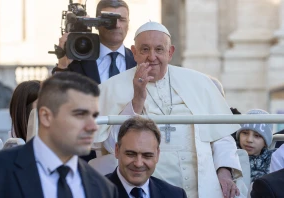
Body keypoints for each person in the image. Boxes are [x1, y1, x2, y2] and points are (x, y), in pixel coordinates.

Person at [94, 21, 247, 198]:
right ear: (134, 53)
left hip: (202, 187)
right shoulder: (110, 88)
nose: (152, 57)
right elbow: (112, 144)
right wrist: (137, 99)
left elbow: (221, 136)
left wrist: (224, 173)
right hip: (149, 189)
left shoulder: (199, 82)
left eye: (159, 49)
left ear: (170, 52)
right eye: (144, 49)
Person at [0, 72, 117, 198]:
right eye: (80, 114)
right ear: (46, 116)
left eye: (94, 116)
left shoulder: (104, 189)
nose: (93, 127)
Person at [52, 0, 136, 84]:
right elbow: (56, 95)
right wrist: (62, 66)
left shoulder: (138, 61)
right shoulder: (75, 61)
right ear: (96, 23)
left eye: (122, 20)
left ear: (128, 24)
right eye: (110, 20)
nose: (117, 25)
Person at [106, 116, 187, 198]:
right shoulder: (94, 191)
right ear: (117, 150)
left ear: (157, 155)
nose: (138, 164)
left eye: (147, 155)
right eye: (131, 154)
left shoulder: (176, 195)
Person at [236, 109, 275, 182]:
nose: (249, 140)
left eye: (257, 136)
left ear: (265, 142)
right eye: (245, 133)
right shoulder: (231, 156)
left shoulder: (274, 159)